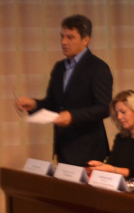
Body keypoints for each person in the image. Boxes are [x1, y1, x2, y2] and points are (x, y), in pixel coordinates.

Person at [16, 14, 114, 166]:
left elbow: (104, 108)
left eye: (70, 37)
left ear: (85, 40)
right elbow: (54, 104)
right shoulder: (59, 68)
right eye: (62, 37)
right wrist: (34, 104)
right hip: (64, 148)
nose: (63, 42)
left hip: (88, 150)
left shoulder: (98, 68)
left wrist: (72, 116)